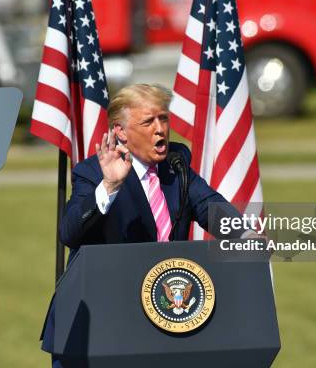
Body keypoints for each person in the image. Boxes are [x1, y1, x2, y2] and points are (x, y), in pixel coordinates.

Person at [40, 84, 244, 360]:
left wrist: (244, 236)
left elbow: (209, 206)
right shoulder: (92, 171)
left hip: (161, 318)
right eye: (148, 121)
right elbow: (69, 232)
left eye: (163, 118)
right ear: (120, 131)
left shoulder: (176, 163)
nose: (160, 129)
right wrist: (110, 186)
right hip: (96, 325)